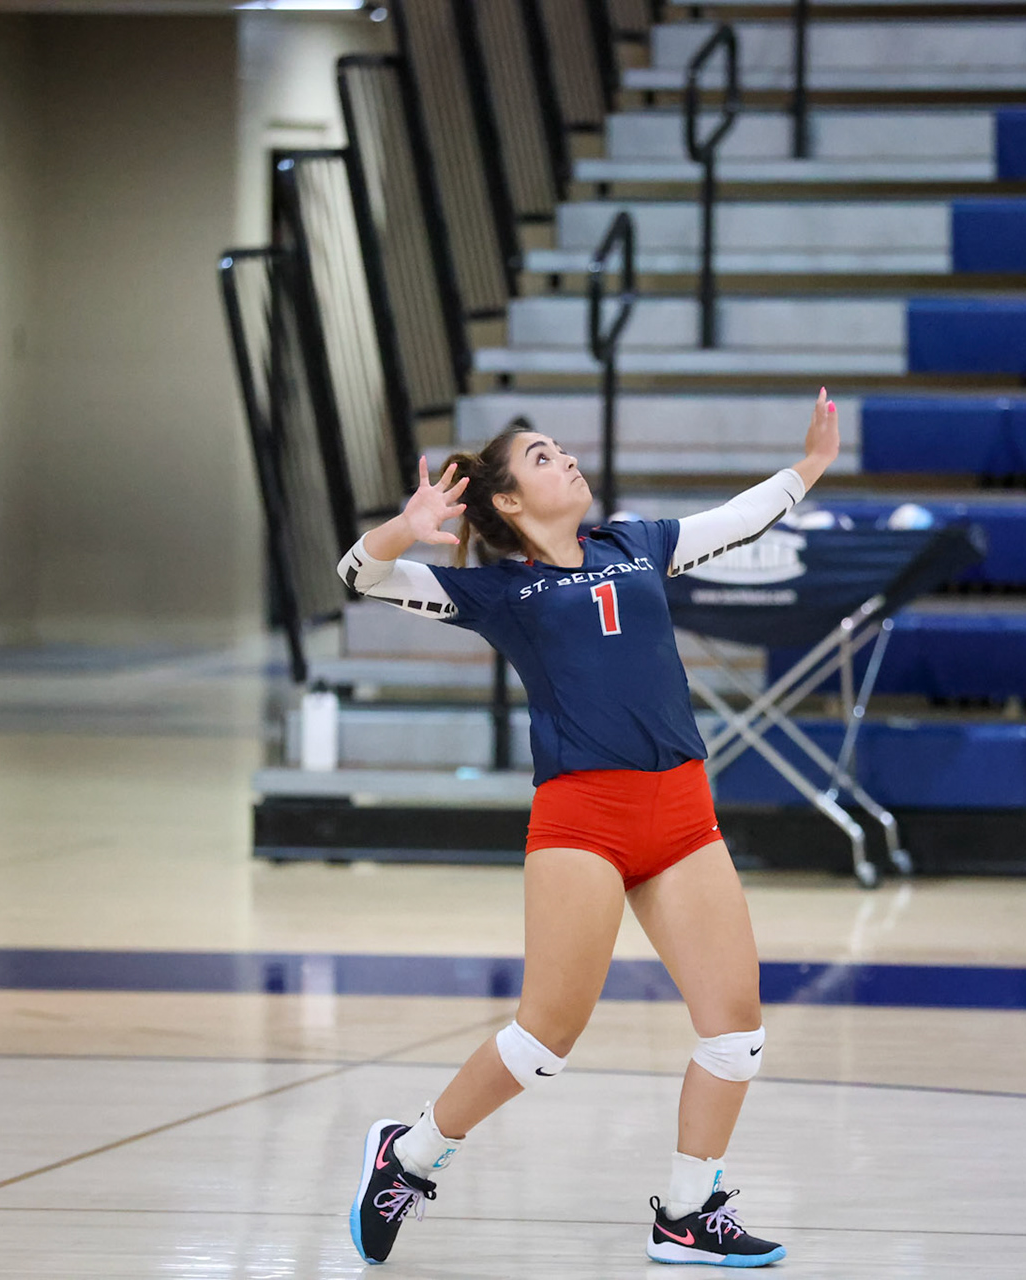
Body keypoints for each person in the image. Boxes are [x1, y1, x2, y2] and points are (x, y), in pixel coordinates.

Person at [337, 390, 842, 1267]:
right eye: (542, 458)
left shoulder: (635, 543)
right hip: (584, 820)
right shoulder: (500, 590)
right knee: (543, 1041)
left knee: (736, 1033)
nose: (564, 458)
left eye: (560, 448)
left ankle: (688, 1212)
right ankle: (408, 1158)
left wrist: (809, 469)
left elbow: (732, 521)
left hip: (684, 815)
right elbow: (359, 577)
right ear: (506, 502)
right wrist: (402, 527)